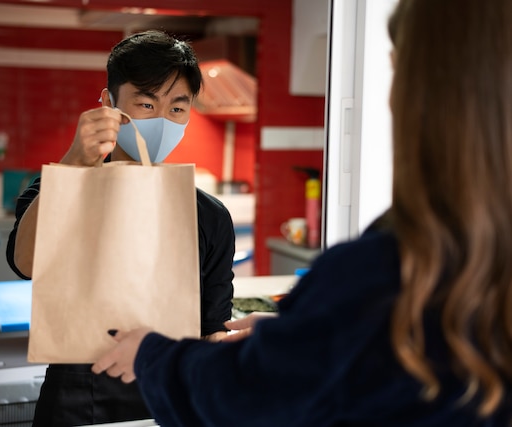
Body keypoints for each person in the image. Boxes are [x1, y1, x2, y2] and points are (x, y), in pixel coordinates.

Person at [92, 0, 512, 425]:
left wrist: (152, 354)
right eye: (147, 104)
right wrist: (294, 336)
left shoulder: (377, 272)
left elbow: (245, 397)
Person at [5, 30, 235, 426]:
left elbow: (212, 327)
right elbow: (24, 262)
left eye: (177, 109)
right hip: (75, 398)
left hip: (169, 397)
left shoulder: (209, 214)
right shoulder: (58, 185)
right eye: (146, 103)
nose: (163, 120)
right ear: (108, 102)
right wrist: (75, 163)